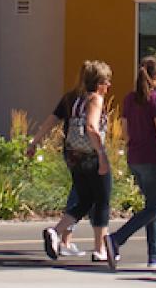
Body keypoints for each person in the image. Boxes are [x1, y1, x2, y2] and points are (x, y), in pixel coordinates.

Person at [102, 57, 156, 270]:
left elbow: (125, 131)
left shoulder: (129, 99)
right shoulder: (155, 99)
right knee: (153, 208)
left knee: (152, 205)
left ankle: (155, 254)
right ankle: (116, 239)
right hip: (151, 157)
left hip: (135, 157)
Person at [42, 61, 117, 264]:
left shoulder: (72, 98)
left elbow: (51, 120)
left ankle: (56, 231)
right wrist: (102, 155)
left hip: (73, 155)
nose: (109, 86)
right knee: (102, 199)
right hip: (91, 155)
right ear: (98, 83)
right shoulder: (95, 99)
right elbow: (91, 127)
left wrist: (34, 143)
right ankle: (100, 249)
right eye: (106, 82)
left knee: (85, 199)